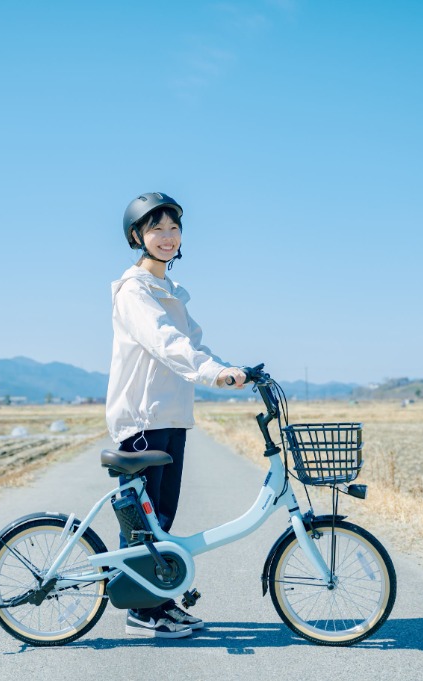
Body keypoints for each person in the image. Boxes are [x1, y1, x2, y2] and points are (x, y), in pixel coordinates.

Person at [105, 191, 246, 639]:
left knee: (161, 517)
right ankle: (143, 610)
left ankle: (157, 602)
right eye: (156, 229)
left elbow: (196, 345)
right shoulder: (135, 291)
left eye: (173, 228)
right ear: (137, 237)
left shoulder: (170, 291)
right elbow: (167, 343)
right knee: (146, 522)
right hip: (145, 419)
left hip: (170, 417)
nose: (167, 237)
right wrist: (213, 374)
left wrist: (230, 370)